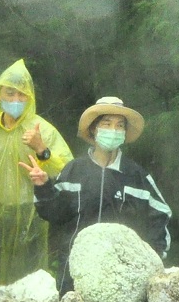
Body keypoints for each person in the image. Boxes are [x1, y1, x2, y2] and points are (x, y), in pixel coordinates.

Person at [28, 96, 170, 288]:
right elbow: (54, 214)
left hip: (123, 277)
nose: (114, 130)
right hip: (74, 273)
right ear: (94, 129)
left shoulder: (136, 175)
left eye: (120, 125)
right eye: (107, 123)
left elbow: (159, 216)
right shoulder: (74, 170)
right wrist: (43, 186)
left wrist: (152, 259)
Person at [0, 59, 73, 288]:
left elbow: (68, 172)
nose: (15, 100)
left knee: (25, 283)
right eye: (9, 93)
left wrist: (42, 149)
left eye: (22, 95)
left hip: (29, 216)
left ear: (30, 98)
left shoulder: (42, 130)